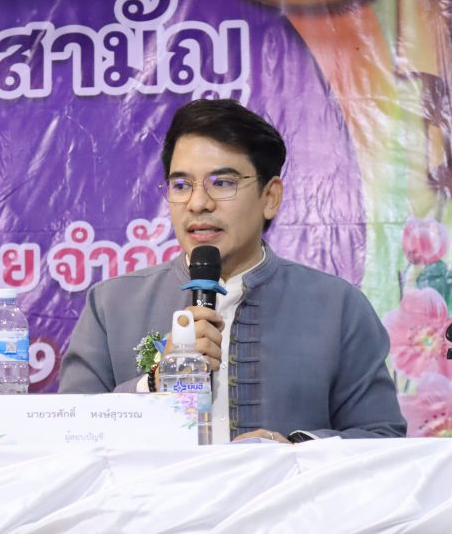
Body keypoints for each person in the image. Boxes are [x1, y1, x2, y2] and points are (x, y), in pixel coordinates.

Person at [59, 99, 406, 441]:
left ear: (270, 197)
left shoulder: (338, 307)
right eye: (181, 185)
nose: (198, 203)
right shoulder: (112, 305)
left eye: (222, 183)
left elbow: (382, 436)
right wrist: (153, 383)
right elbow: (68, 437)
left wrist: (295, 452)